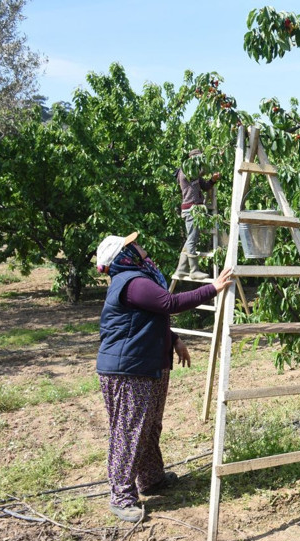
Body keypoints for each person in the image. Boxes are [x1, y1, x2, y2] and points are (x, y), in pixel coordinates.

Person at [95, 231, 232, 522]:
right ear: (124, 255)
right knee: (129, 431)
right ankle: (121, 495)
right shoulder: (132, 282)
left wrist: (174, 339)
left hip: (146, 365)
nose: (140, 247)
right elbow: (169, 303)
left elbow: (145, 320)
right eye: (133, 245)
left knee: (148, 426)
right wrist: (213, 288)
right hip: (128, 370)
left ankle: (151, 478)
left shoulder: (137, 279)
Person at [175, 149, 221, 280]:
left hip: (195, 210)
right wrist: (216, 157)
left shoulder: (194, 173)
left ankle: (181, 269)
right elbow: (204, 169)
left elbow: (205, 186)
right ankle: (194, 270)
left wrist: (212, 180)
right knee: (192, 239)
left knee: (191, 238)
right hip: (191, 209)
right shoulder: (186, 170)